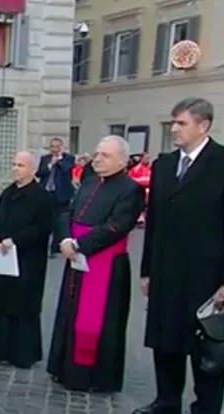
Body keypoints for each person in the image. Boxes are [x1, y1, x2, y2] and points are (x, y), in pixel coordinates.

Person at [135, 98, 224, 414]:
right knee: (165, 338)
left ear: (204, 126)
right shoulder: (164, 165)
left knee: (205, 345)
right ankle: (166, 399)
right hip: (165, 270)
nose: (174, 129)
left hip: (207, 274)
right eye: (173, 122)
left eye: (182, 123)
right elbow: (154, 223)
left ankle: (205, 413)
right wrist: (147, 270)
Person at [46, 136, 144, 392]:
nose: (97, 159)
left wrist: (79, 244)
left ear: (122, 160)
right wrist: (65, 238)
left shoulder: (130, 189)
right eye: (97, 153)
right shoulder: (89, 182)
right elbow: (67, 212)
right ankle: (64, 368)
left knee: (97, 320)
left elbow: (117, 226)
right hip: (75, 257)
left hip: (105, 263)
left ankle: (92, 377)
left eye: (105, 155)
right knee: (70, 312)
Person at [0, 150, 53, 368]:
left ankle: (20, 353)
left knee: (22, 305)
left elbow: (42, 229)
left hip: (27, 260)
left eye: (20, 165)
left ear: (33, 169)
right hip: (1, 257)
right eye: (14, 164)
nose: (15, 169)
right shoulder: (7, 193)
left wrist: (16, 240)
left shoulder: (42, 197)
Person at [37, 138, 75, 257]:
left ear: (61, 147)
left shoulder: (69, 158)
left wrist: (59, 160)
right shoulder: (45, 158)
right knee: (46, 220)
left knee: (59, 221)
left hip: (61, 195)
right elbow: (39, 173)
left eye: (57, 147)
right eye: (52, 147)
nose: (54, 149)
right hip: (46, 193)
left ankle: (55, 248)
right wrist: (50, 165)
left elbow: (67, 169)